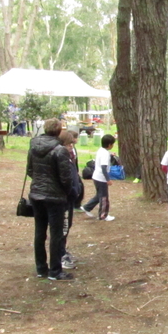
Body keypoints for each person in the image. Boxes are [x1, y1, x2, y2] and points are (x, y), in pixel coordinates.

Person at [27, 118, 74, 280]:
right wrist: (66, 192)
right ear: (58, 130)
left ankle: (41, 268)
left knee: (40, 232)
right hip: (54, 197)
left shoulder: (33, 145)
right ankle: (55, 270)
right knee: (56, 233)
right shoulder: (60, 150)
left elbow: (30, 170)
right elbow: (65, 178)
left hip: (37, 194)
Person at [58, 130, 83, 272]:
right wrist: (72, 191)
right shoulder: (60, 156)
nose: (71, 147)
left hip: (70, 197)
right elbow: (65, 178)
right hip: (63, 198)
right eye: (69, 145)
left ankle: (63, 251)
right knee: (62, 227)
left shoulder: (70, 155)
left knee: (67, 226)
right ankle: (60, 256)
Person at [81, 134, 117, 221]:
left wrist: (110, 155)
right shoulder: (105, 153)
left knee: (99, 195)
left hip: (96, 176)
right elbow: (104, 167)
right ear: (109, 145)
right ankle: (103, 215)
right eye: (112, 144)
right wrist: (107, 179)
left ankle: (87, 207)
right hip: (101, 178)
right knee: (104, 197)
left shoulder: (101, 150)